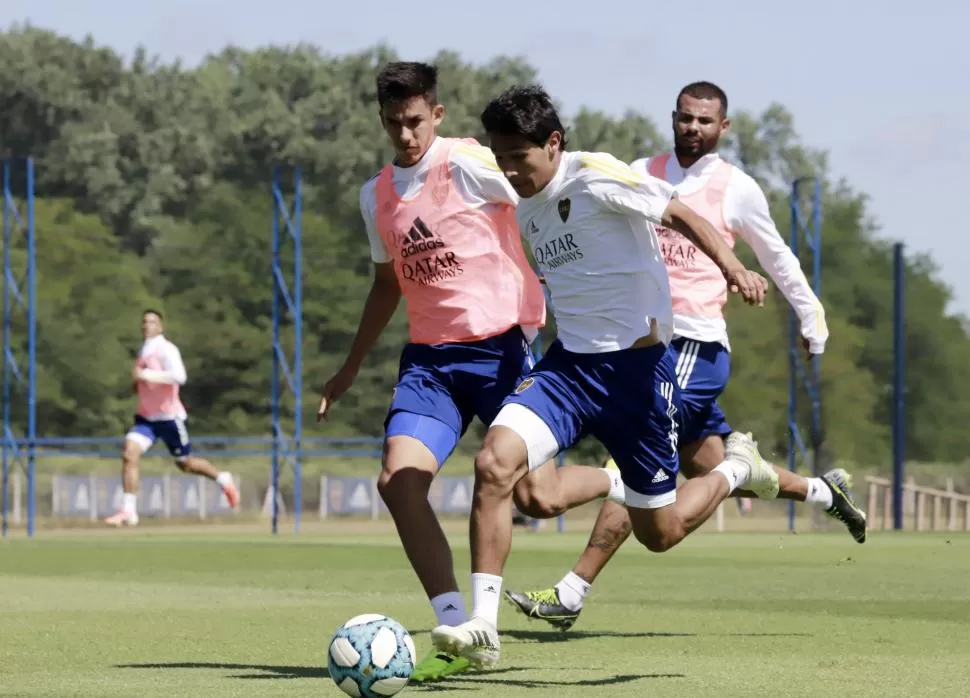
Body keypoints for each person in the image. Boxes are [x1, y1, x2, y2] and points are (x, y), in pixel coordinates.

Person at [430, 84, 778, 670]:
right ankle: (483, 629)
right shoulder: (527, 203)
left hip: (638, 377)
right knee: (494, 466)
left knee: (659, 533)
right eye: (501, 155)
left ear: (554, 143)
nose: (511, 169)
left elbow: (682, 213)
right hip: (569, 369)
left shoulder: (595, 176)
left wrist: (735, 266)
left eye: (521, 155)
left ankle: (736, 467)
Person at [504, 81, 868, 632]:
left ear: (723, 128)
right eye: (685, 118)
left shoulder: (735, 188)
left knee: (634, 459)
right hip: (638, 340)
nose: (692, 128)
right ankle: (822, 491)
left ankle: (572, 589)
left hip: (692, 343)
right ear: (673, 118)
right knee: (707, 469)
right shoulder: (636, 169)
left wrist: (811, 318)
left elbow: (776, 255)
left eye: (705, 121)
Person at [316, 63, 627, 682]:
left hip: (501, 350)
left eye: (414, 121)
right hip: (431, 364)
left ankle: (618, 481)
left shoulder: (468, 163)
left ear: (436, 113)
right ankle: (457, 621)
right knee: (397, 483)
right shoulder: (374, 194)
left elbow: (543, 186)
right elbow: (386, 285)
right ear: (381, 121)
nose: (405, 135)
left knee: (536, 497)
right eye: (392, 124)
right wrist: (349, 367)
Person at [105, 310, 240, 527]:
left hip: (169, 417)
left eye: (152, 322)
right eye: (144, 321)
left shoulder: (167, 349)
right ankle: (129, 511)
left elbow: (180, 376)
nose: (146, 325)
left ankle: (223, 478)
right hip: (146, 418)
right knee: (129, 454)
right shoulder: (143, 350)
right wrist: (137, 385)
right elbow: (142, 377)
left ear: (161, 327)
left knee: (185, 464)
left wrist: (146, 375)